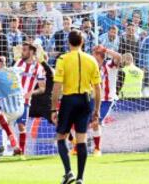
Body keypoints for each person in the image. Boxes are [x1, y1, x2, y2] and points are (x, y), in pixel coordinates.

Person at [51, 30, 101, 184]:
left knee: (61, 137)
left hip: (69, 99)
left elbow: (57, 86)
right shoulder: (91, 60)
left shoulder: (63, 59)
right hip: (85, 100)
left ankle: (68, 172)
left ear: (68, 42)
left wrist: (54, 109)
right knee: (81, 139)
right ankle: (80, 178)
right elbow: (98, 88)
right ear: (83, 42)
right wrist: (96, 110)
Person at [14, 42, 46, 157]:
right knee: (2, 123)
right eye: (22, 50)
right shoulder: (18, 63)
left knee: (21, 126)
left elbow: (42, 88)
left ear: (31, 51)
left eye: (25, 50)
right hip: (12, 100)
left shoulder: (39, 68)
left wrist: (30, 93)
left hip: (25, 102)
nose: (22, 52)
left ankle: (20, 152)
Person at [91, 44, 122, 157]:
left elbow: (119, 57)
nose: (92, 55)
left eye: (94, 53)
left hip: (107, 100)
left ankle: (97, 148)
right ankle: (77, 145)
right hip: (93, 99)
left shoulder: (109, 65)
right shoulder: (92, 67)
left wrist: (106, 50)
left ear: (99, 55)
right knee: (80, 119)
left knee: (96, 122)